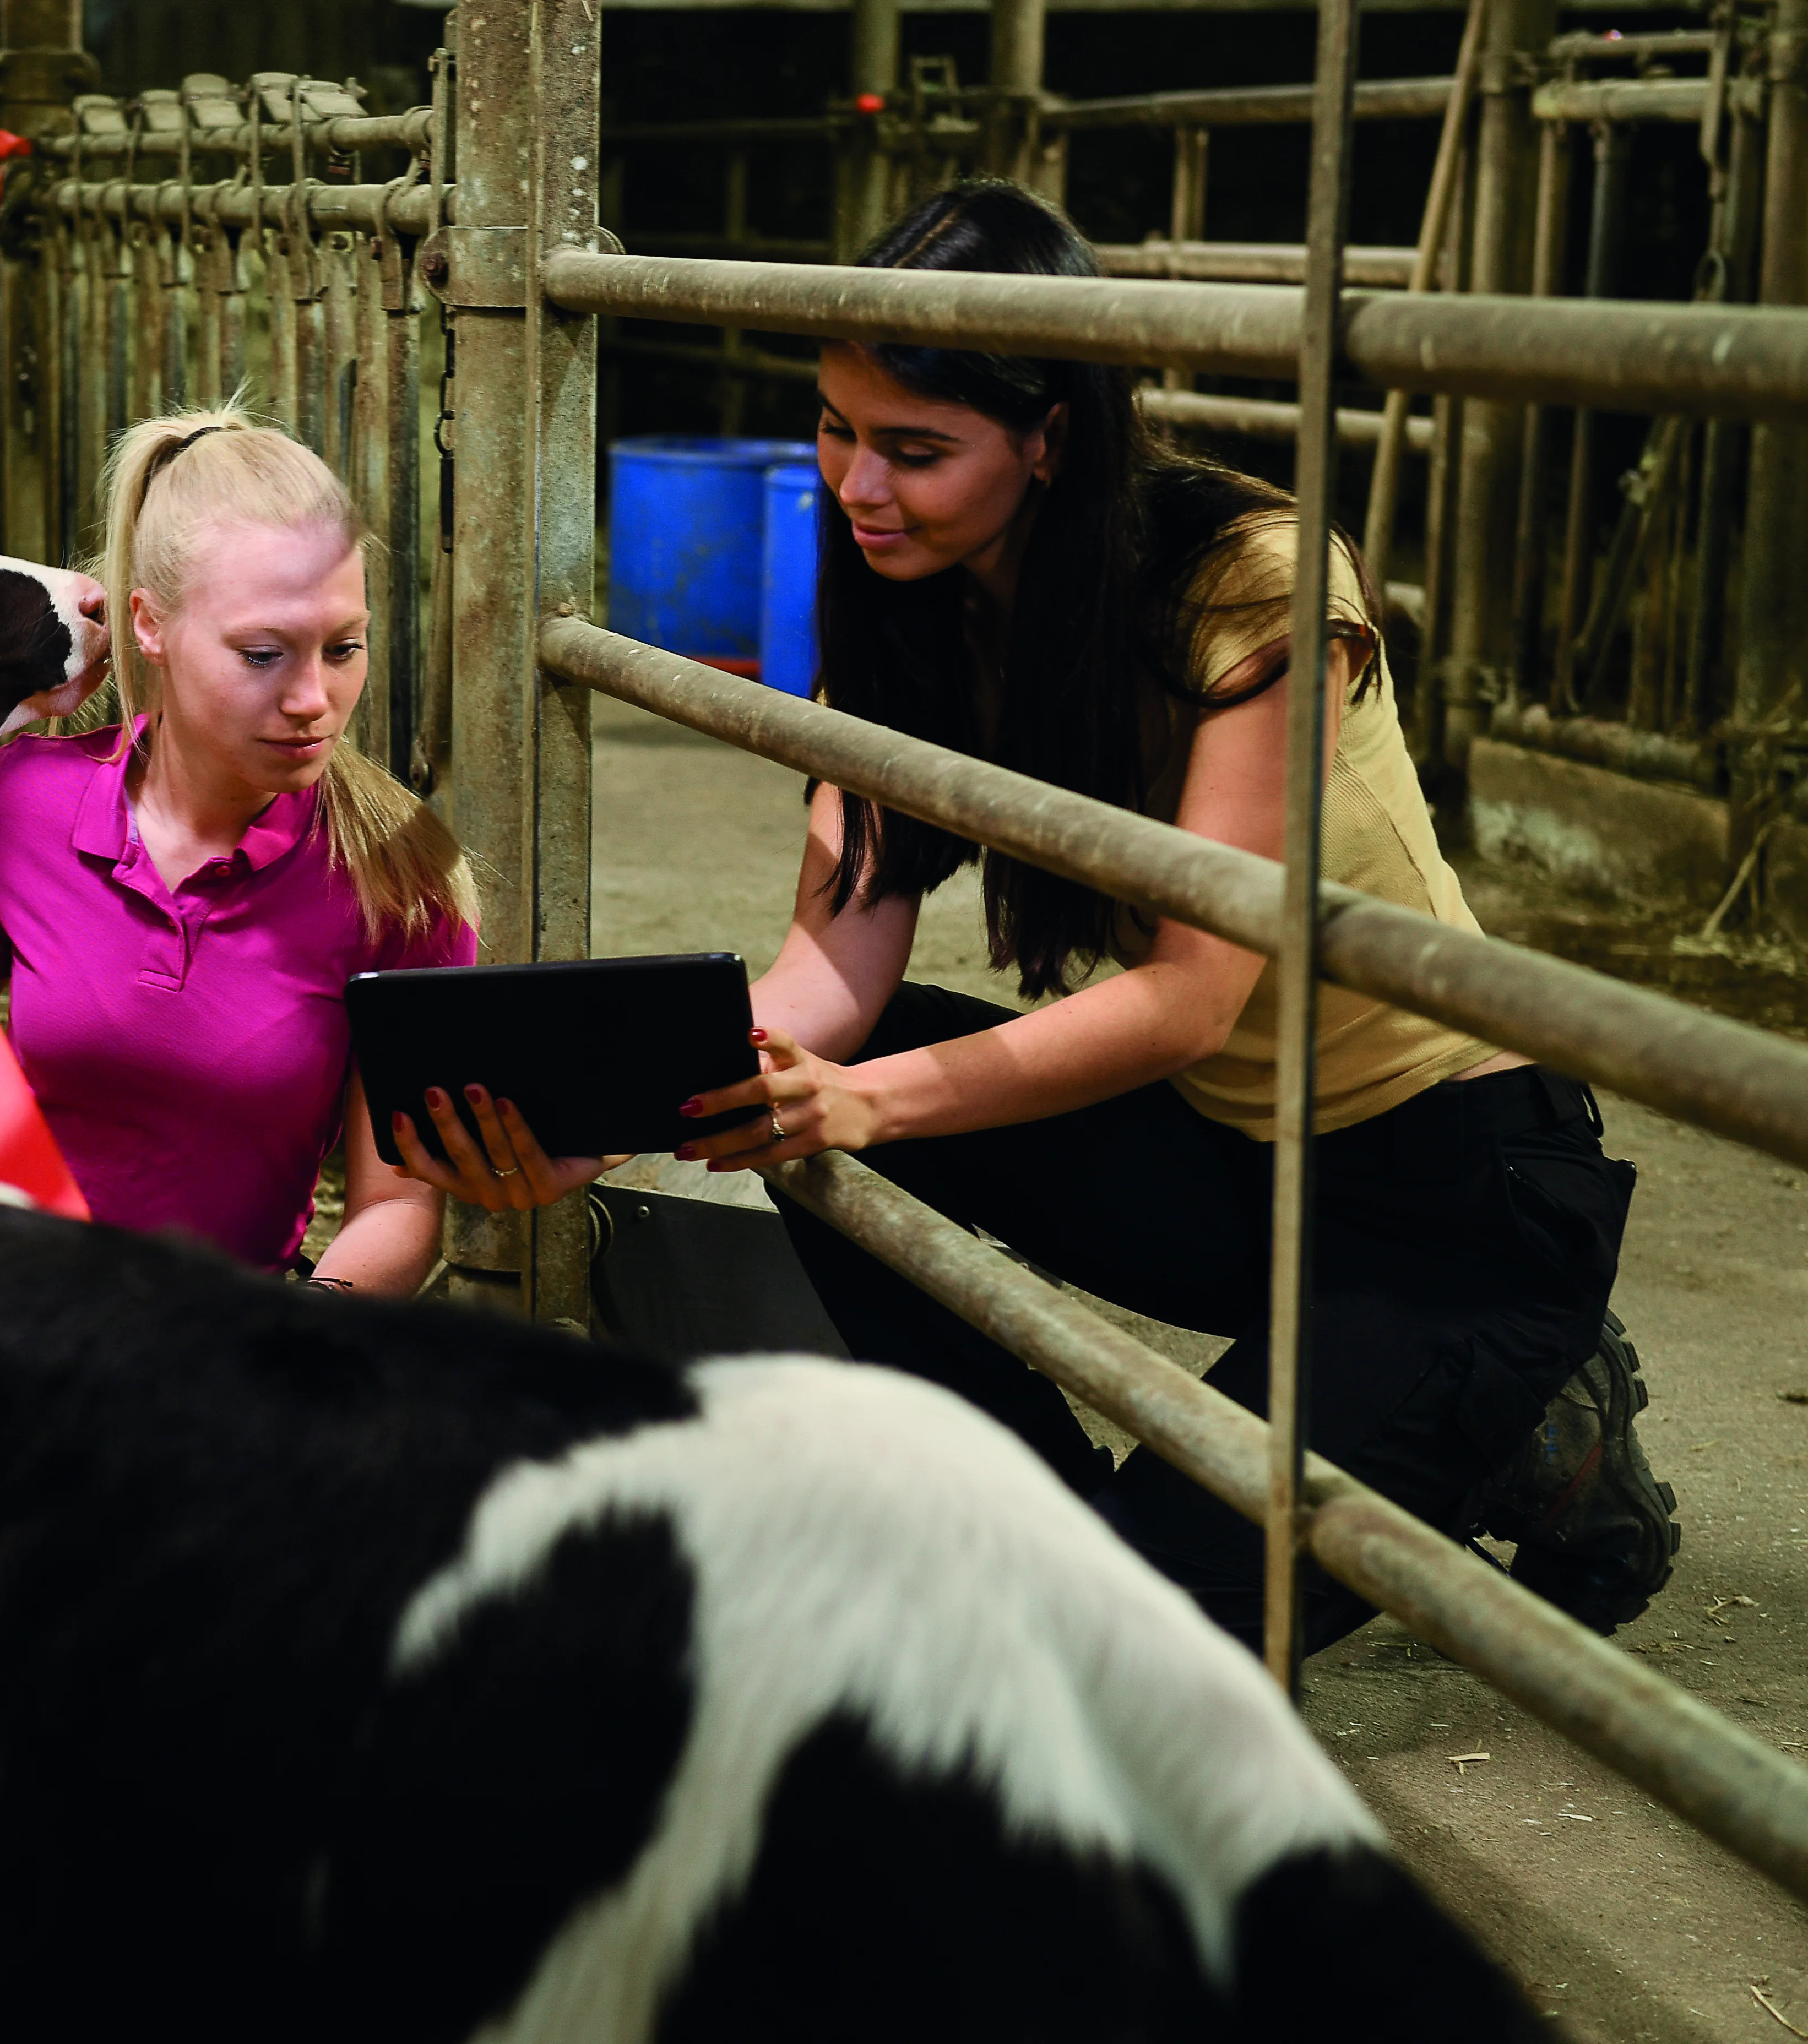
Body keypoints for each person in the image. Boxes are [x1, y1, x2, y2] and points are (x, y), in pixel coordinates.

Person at [398, 181, 1676, 1652]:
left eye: (915, 450)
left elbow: (1191, 993)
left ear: (1051, 439)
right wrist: (617, 1120)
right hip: (1223, 1161)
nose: (857, 485)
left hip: (1447, 1196)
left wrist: (860, 1104)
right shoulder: (909, 604)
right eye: (837, 429)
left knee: (1143, 1647)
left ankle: (1532, 1412)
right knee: (822, 1107)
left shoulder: (1250, 589)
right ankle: (1047, 1543)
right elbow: (837, 959)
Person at [0, 409, 476, 1296]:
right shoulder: (15, 806)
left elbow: (399, 1201)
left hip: (237, 1341)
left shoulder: (402, 883)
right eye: (263, 654)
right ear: (150, 625)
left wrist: (300, 1336)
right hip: (11, 1310)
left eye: (344, 648)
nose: (314, 699)